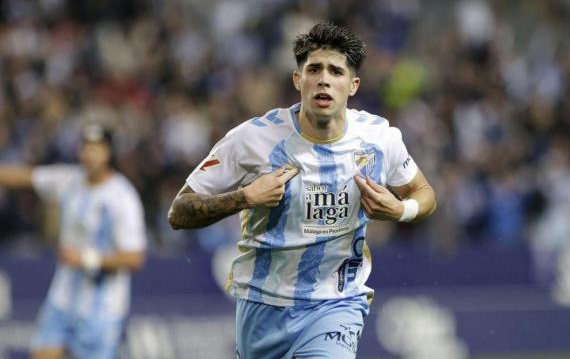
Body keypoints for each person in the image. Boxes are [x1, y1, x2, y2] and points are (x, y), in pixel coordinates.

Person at [168, 22, 436, 359]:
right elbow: (179, 212)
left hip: (336, 304)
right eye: (314, 69)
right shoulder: (252, 139)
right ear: (298, 80)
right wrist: (245, 197)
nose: (324, 79)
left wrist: (401, 211)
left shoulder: (379, 138)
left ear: (353, 85)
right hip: (262, 306)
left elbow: (424, 192)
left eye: (336, 71)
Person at [0, 124, 147, 359]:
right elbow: (26, 177)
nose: (90, 154)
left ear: (109, 153)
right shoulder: (70, 180)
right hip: (63, 297)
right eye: (86, 147)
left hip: (102, 308)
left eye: (97, 148)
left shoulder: (122, 197)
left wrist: (85, 258)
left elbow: (135, 258)